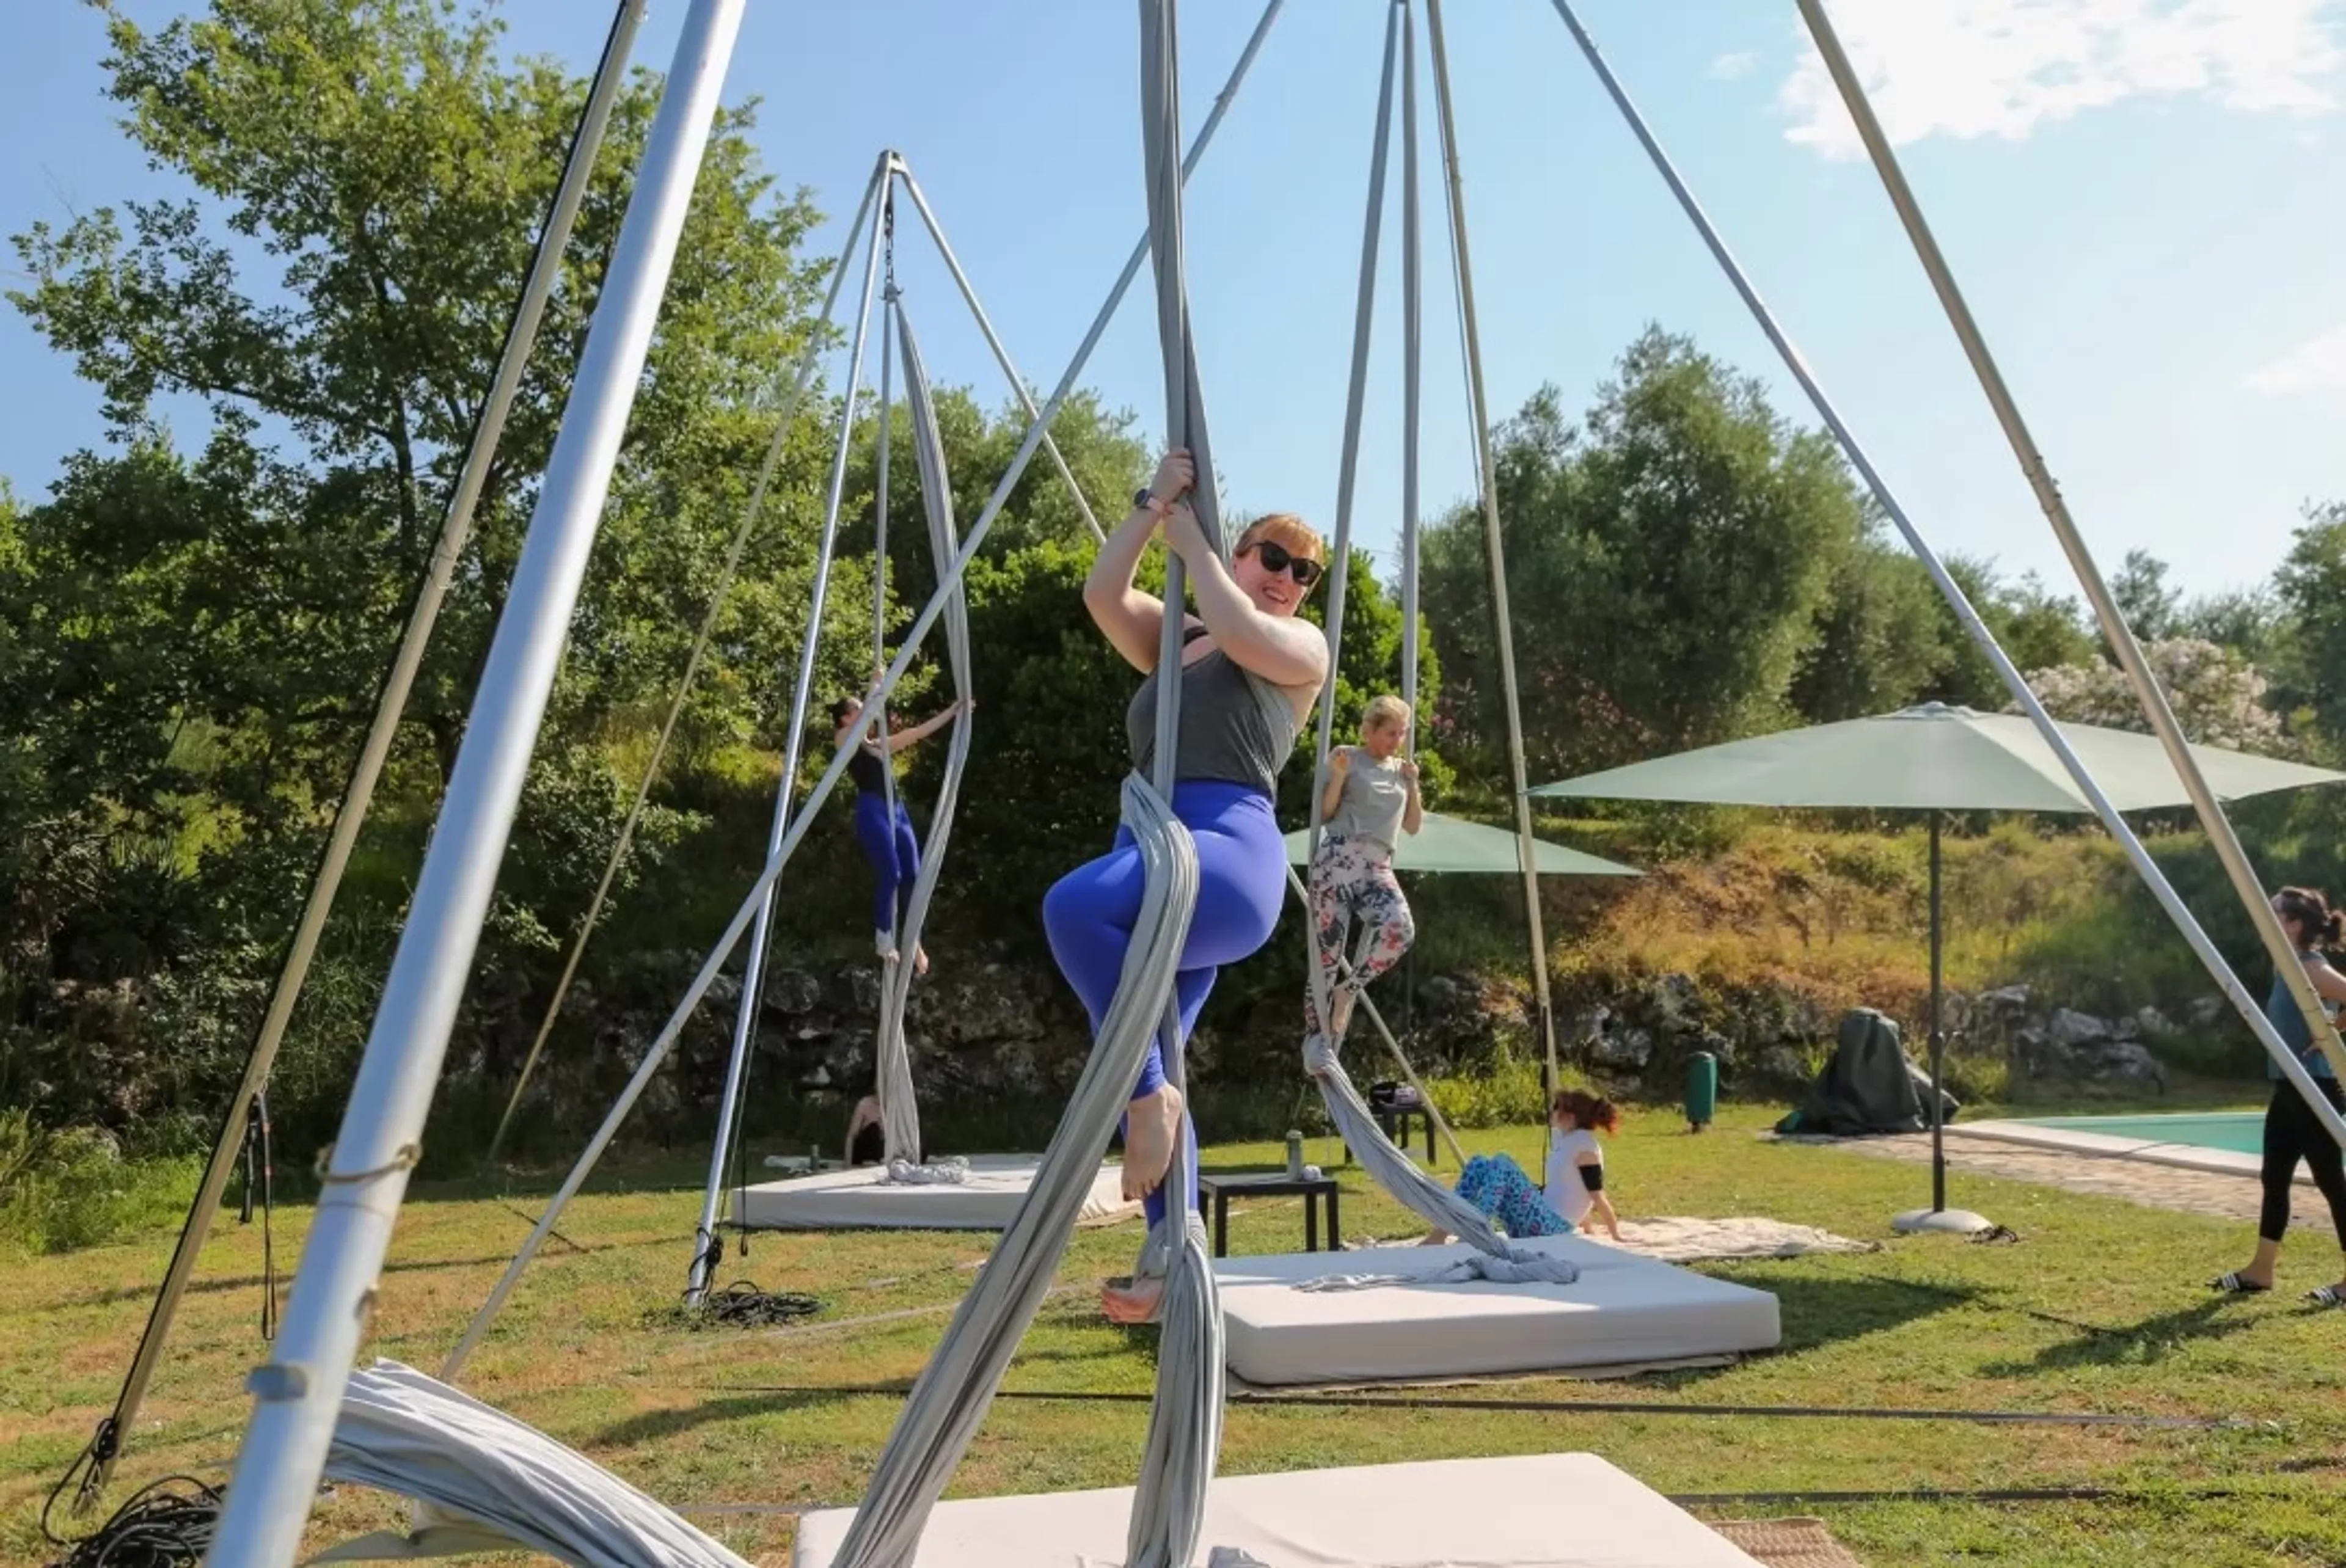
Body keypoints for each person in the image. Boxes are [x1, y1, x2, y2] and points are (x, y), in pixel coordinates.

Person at [1042, 448, 1329, 1324]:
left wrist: (1194, 540)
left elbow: (1239, 627)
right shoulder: (1177, 638)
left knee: (1075, 906)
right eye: (1271, 557)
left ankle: (1147, 1100)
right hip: (1164, 843)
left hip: (1228, 856)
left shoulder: (1296, 648)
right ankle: (1171, 1260)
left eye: (1303, 571)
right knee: (1151, 1040)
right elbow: (1102, 594)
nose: (1286, 577)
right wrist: (1152, 508)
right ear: (1244, 555)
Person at [2212, 886, 2346, 1305]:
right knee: (2274, 1177)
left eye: (2273, 914)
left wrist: (2332, 1033)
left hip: (2316, 1088)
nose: (2263, 919)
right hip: (2289, 1087)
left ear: (2294, 924)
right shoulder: (2284, 965)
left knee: (2331, 1183)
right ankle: (2261, 1270)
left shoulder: (2310, 966)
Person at [832, 677, 967, 977]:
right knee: (890, 873)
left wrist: (953, 712)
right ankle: (883, 937)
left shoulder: (877, 746)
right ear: (845, 718)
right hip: (872, 808)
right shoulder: (844, 740)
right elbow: (863, 721)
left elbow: (916, 733)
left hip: (897, 810)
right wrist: (875, 686)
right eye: (857, 710)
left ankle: (914, 941)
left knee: (914, 878)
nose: (866, 714)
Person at [1308, 694, 1424, 1041]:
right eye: (1391, 733)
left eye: (1402, 734)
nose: (1397, 741)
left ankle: (1350, 990)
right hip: (1338, 861)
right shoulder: (1347, 757)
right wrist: (1340, 777)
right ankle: (1318, 1042)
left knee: (1400, 930)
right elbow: (1325, 813)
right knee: (1325, 960)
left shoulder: (1402, 772)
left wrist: (1414, 784)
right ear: (1370, 731)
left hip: (1376, 866)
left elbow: (1414, 826)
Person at [1423, 1088, 1622, 1245]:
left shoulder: (1585, 1147)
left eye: (1556, 1107)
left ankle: (1476, 1231)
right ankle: (1441, 1232)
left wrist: (1616, 1235)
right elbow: (1573, 1187)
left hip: (1551, 1225)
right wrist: (1587, 1227)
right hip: (1540, 1217)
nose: (1551, 1111)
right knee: (1479, 1164)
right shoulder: (1566, 1138)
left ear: (1570, 1118)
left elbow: (1595, 1194)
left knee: (1503, 1163)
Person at [845, 1086, 885, 1167]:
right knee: (874, 1127)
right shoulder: (865, 1104)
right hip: (865, 1152)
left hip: (882, 1153)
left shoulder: (893, 1106)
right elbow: (851, 1136)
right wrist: (848, 1164)